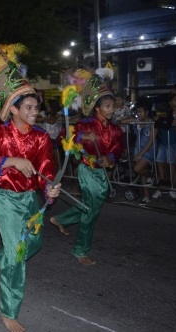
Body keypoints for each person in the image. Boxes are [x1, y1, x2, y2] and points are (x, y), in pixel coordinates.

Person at [0, 33, 61, 332]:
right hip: (5, 198)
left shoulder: (41, 137)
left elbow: (46, 167)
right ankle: (9, 310)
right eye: (29, 108)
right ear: (13, 108)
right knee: (17, 257)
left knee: (33, 242)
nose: (35, 113)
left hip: (29, 199)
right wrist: (10, 161)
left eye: (36, 108)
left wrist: (49, 186)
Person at [50, 68, 122, 266]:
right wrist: (81, 137)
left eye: (112, 106)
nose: (111, 109)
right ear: (97, 108)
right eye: (107, 106)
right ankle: (80, 250)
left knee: (91, 209)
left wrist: (109, 158)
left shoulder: (115, 129)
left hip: (102, 174)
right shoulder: (84, 125)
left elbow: (117, 149)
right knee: (91, 212)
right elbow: (62, 137)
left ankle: (62, 219)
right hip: (86, 170)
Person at [151, 93, 176, 200]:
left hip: (171, 144)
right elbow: (157, 125)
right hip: (163, 143)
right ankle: (162, 180)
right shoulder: (162, 118)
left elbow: (166, 126)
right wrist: (158, 119)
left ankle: (171, 184)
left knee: (171, 164)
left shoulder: (171, 117)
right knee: (159, 161)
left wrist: (160, 119)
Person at [129, 98, 157, 206]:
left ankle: (152, 176)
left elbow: (150, 141)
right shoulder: (138, 122)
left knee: (138, 168)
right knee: (141, 173)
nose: (139, 114)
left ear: (147, 112)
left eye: (140, 112)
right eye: (137, 112)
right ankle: (146, 197)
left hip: (148, 151)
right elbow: (124, 121)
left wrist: (140, 154)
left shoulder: (152, 124)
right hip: (138, 149)